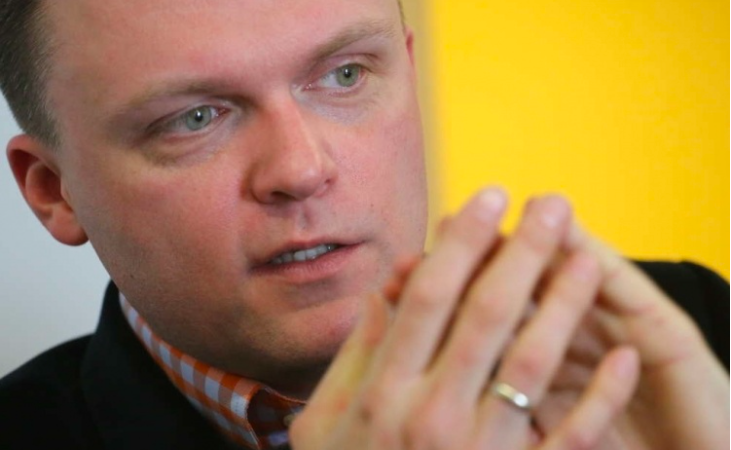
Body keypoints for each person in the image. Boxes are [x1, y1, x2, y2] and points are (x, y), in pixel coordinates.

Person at [0, 0, 727, 449]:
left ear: (407, 72)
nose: (300, 169)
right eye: (193, 118)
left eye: (344, 75)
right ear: (53, 191)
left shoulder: (690, 334)